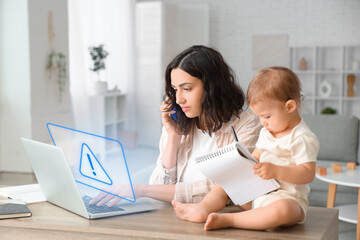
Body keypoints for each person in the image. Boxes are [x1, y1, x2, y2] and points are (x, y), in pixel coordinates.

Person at [90, 45, 261, 207]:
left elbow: (224, 189)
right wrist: (173, 136)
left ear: (213, 88)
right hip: (174, 219)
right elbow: (159, 187)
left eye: (187, 89)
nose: (179, 100)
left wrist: (141, 190)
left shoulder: (247, 125)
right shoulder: (178, 126)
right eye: (175, 89)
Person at [172, 66, 320, 231]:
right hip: (260, 194)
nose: (263, 122)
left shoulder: (302, 138)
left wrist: (276, 171)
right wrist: (239, 165)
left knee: (282, 211)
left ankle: (230, 220)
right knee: (226, 182)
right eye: (259, 117)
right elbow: (255, 157)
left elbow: (307, 173)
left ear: (290, 107)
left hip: (289, 199)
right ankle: (203, 208)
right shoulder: (267, 131)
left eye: (267, 116)